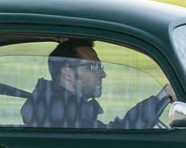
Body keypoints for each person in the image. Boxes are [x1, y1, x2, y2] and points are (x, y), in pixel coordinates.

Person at [20, 39, 175, 129]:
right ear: (67, 74)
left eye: (101, 67)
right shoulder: (57, 112)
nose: (103, 74)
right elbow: (115, 140)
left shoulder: (60, 106)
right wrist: (162, 97)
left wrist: (162, 97)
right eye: (94, 67)